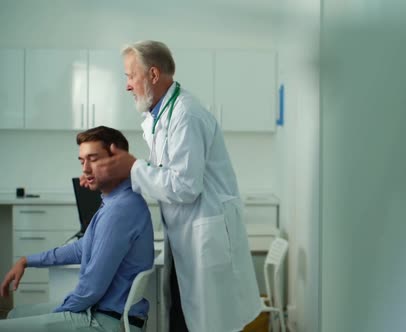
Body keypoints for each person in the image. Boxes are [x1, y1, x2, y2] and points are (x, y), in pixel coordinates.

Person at [83, 40, 261, 332]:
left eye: (130, 76)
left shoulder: (186, 115)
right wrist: (116, 175)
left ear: (152, 74)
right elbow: (162, 174)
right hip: (185, 236)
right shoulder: (159, 117)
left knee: (206, 322)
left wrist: (133, 167)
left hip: (203, 237)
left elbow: (184, 185)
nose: (127, 86)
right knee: (183, 316)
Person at [0, 126, 154, 331]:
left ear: (117, 159)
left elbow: (90, 290)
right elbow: (82, 248)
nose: (86, 169)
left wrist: (57, 315)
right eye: (82, 161)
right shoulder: (115, 201)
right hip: (104, 313)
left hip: (107, 321)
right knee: (14, 315)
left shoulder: (120, 210)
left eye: (94, 159)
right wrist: (27, 261)